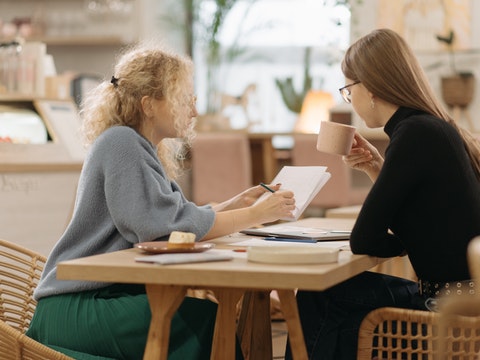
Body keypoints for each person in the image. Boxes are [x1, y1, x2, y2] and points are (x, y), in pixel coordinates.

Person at [26, 42, 296, 360]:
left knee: (204, 316)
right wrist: (253, 215)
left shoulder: (136, 146)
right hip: (77, 306)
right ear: (149, 104)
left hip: (95, 298)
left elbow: (173, 217)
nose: (193, 110)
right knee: (205, 320)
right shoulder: (122, 142)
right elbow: (159, 229)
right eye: (184, 100)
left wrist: (232, 205)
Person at [285, 28, 480, 360]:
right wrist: (377, 168)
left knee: (320, 295)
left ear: (370, 88)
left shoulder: (414, 134)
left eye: (348, 90)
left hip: (447, 309)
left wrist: (403, 244)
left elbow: (363, 239)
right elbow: (428, 222)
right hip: (466, 298)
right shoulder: (435, 127)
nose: (351, 100)